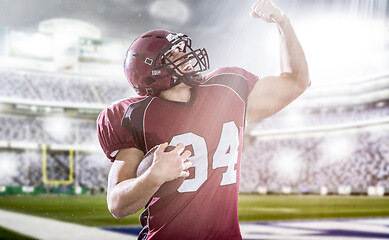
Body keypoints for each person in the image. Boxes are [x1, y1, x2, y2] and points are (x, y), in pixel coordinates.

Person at [97, 0, 309, 239]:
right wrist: (153, 176)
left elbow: (296, 81)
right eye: (173, 53)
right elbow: (117, 204)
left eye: (181, 48)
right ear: (152, 71)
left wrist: (283, 23)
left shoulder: (228, 88)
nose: (185, 54)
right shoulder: (135, 115)